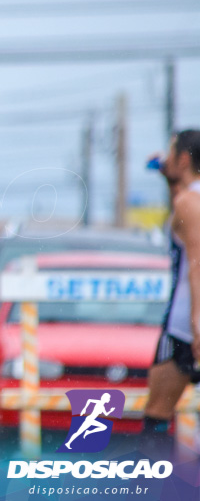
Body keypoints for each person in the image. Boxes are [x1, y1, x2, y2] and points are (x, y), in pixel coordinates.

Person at [141, 129, 200, 459]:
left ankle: (151, 487)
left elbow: (196, 263)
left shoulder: (188, 201)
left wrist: (196, 322)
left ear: (184, 159)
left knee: (157, 413)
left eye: (171, 153)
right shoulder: (187, 197)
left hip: (183, 325)